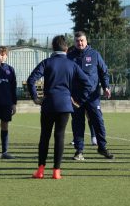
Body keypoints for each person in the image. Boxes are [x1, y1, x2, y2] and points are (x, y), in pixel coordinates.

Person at [27, 35, 91, 179]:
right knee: (59, 136)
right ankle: (56, 171)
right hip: (65, 105)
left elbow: (31, 79)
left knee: (45, 136)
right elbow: (88, 84)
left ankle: (41, 170)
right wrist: (79, 101)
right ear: (67, 48)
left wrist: (36, 98)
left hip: (48, 104)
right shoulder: (72, 64)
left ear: (52, 48)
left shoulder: (47, 62)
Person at [67, 31, 114, 161]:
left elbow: (103, 72)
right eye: (77, 41)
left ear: (86, 41)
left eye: (82, 40)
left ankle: (102, 147)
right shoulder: (70, 57)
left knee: (98, 121)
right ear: (74, 42)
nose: (80, 43)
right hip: (76, 97)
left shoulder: (95, 54)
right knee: (77, 123)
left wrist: (106, 87)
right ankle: (79, 151)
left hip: (92, 96)